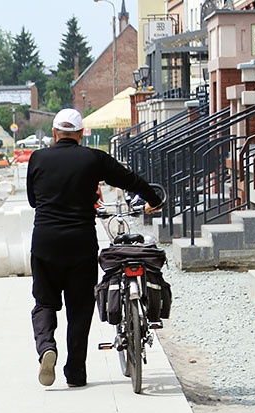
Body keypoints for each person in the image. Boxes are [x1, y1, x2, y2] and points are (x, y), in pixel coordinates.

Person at [26, 108, 163, 388]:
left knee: (44, 303)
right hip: (80, 242)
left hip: (45, 242)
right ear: (80, 134)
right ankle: (75, 372)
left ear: (54, 133)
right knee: (79, 308)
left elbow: (32, 200)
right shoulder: (93, 158)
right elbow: (129, 179)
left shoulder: (38, 158)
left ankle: (46, 348)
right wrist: (153, 198)